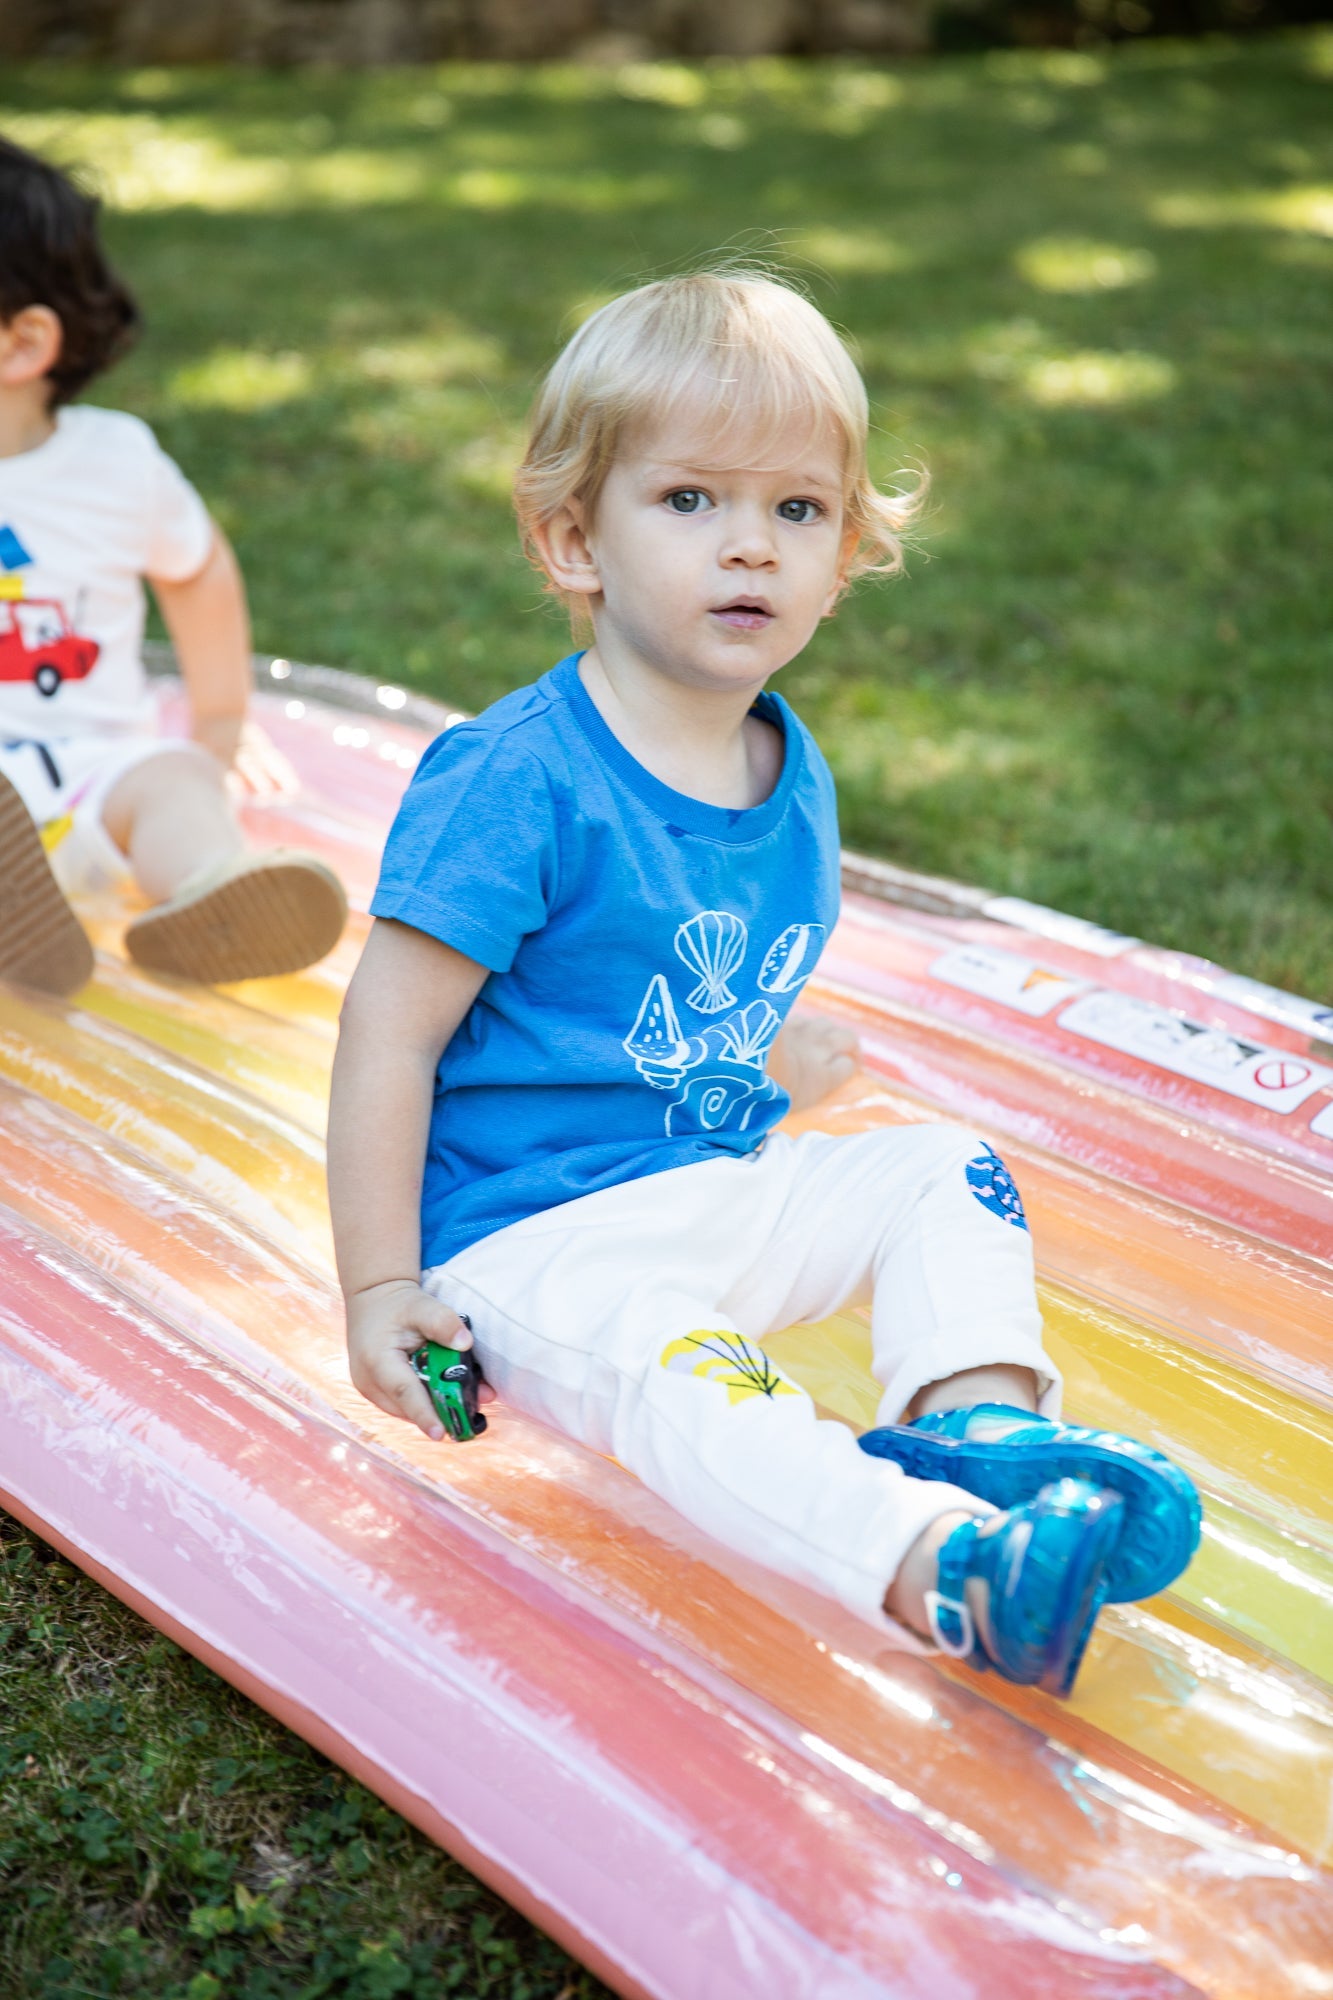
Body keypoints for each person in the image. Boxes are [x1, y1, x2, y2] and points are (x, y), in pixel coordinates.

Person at [328, 271, 1199, 1693]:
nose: (750, 546)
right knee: (696, 1382)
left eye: (795, 511)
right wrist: (378, 1285)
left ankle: (974, 1433)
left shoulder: (782, 769)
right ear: (573, 539)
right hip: (534, 1242)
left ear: (845, 548)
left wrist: (771, 1051)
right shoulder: (516, 778)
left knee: (942, 1167)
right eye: (689, 502)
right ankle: (944, 1569)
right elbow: (387, 1033)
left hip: (709, 1180)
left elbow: (647, 976)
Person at [0, 136, 347, 995]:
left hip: (95, 771)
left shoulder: (117, 464)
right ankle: (24, 938)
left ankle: (213, 897)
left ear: (20, 345)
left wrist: (220, 722)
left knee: (174, 781)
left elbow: (196, 570)